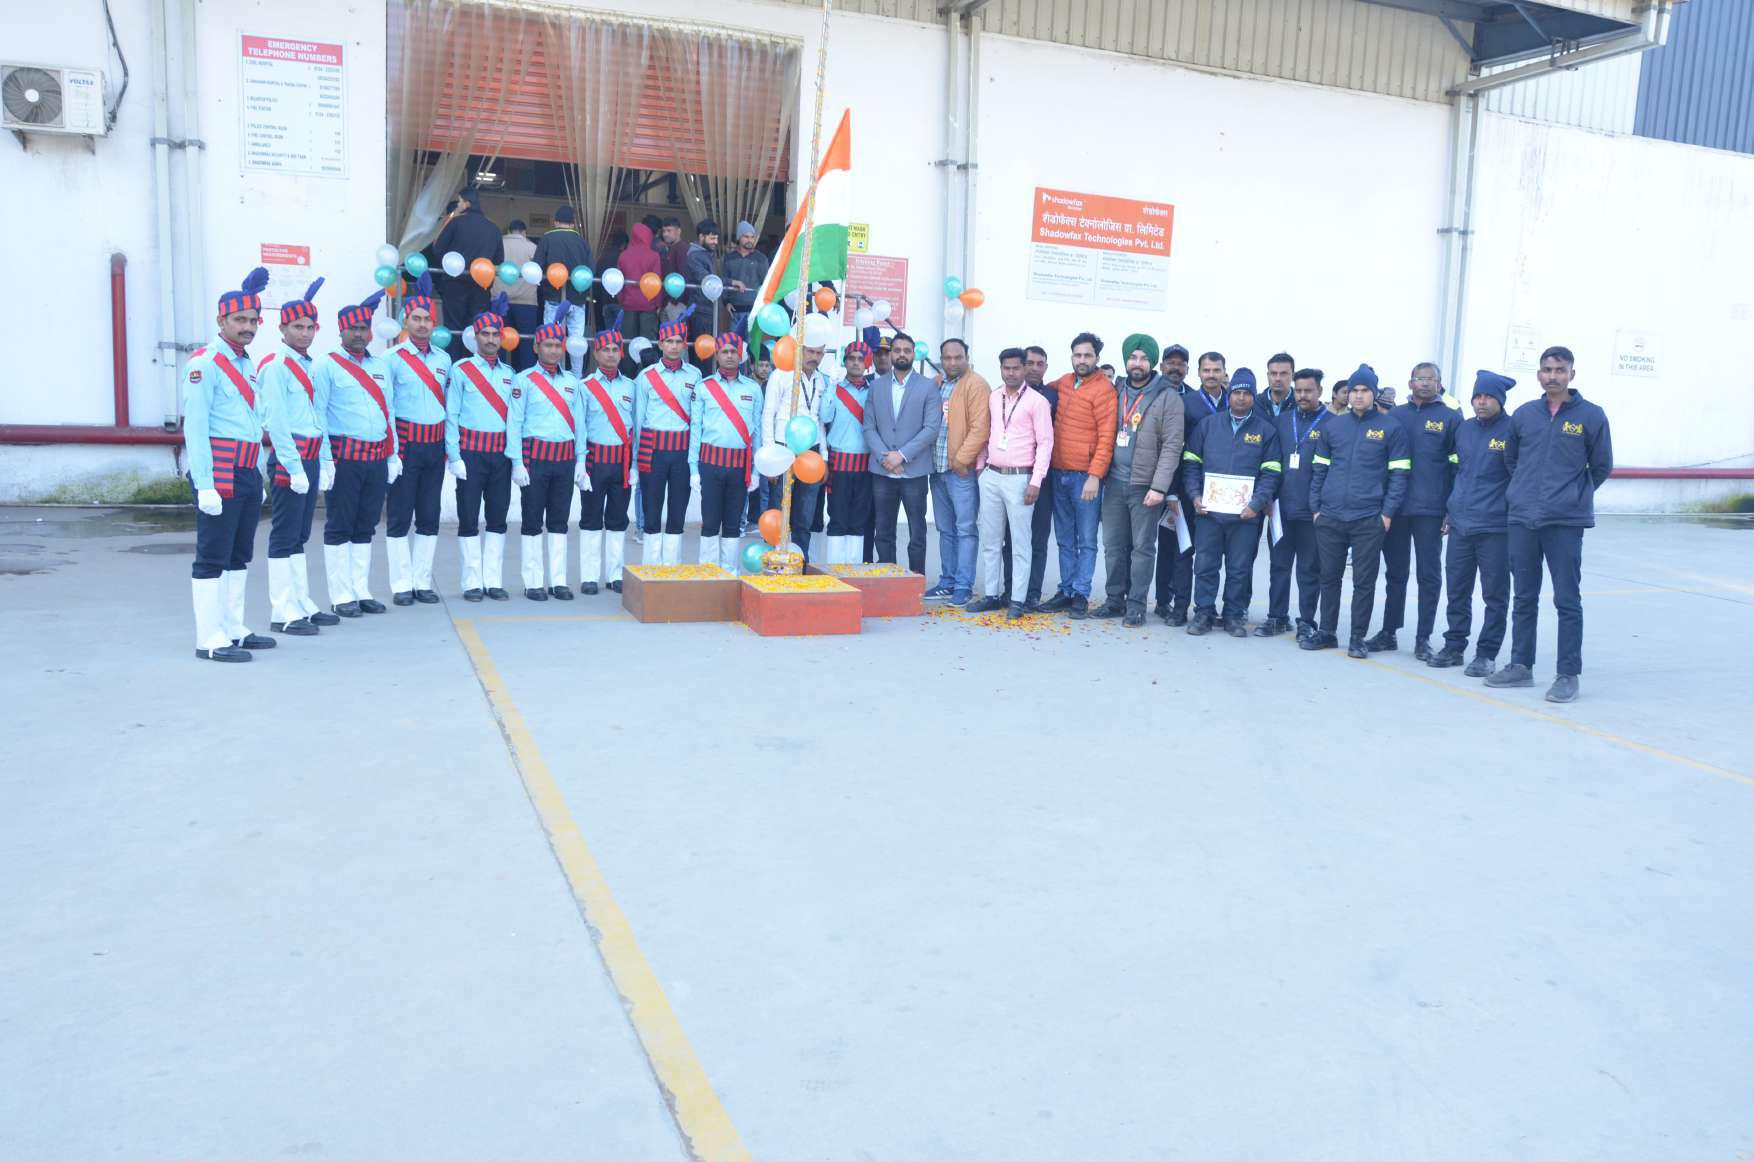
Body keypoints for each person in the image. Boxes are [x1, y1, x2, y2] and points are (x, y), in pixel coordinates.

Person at [1487, 346, 1613, 703]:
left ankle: (1567, 674)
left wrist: (1573, 495)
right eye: (1547, 369)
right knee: (1524, 596)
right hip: (1522, 518)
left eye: (1559, 369)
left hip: (1565, 521)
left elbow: (1601, 465)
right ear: (1539, 374)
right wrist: (1524, 492)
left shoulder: (1591, 416)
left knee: (1567, 599)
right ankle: (1520, 666)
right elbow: (1511, 459)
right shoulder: (1525, 414)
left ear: (1572, 373)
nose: (1553, 376)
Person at [184, 266, 275, 662]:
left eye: (253, 320)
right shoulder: (205, 363)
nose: (248, 327)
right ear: (221, 320)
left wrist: (258, 472)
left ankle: (232, 626)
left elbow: (251, 423)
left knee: (239, 555)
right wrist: (204, 484)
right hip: (219, 472)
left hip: (246, 470)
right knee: (213, 554)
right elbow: (195, 427)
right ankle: (209, 638)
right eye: (240, 320)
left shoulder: (245, 363)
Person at [1304, 365, 1411, 657]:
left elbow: (1400, 474)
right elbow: (1319, 469)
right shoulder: (1334, 427)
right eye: (1354, 390)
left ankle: (1357, 637)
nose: (1359, 395)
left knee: (1364, 581)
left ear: (1374, 394)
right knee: (1329, 576)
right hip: (1330, 515)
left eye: (1365, 390)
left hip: (1368, 517)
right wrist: (1316, 508)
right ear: (1348, 394)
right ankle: (1327, 631)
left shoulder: (1391, 428)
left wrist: (1386, 513)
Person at [257, 276, 336, 638]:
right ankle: (282, 611)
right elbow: (275, 421)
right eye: (297, 327)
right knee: (284, 534)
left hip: (311, 457)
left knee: (301, 534)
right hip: (291, 460)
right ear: (282, 329)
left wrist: (325, 460)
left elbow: (317, 417)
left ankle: (301, 601)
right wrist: (293, 466)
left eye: (309, 327)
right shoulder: (276, 366)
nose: (304, 334)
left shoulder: (308, 365)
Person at [314, 290, 398, 618]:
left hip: (376, 458)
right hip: (344, 459)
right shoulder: (327, 366)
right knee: (340, 524)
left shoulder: (380, 366)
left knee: (366, 525)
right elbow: (318, 414)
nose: (360, 334)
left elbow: (388, 412)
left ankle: (361, 590)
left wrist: (392, 454)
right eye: (353, 329)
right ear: (341, 330)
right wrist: (324, 460)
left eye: (364, 328)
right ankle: (340, 595)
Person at [1181, 368, 1281, 636]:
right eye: (1237, 392)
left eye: (1247, 393)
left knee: (1239, 568)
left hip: (1245, 516)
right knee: (1205, 566)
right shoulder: (1208, 425)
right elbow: (1191, 463)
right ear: (1229, 395)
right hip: (1208, 514)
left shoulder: (1265, 431)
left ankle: (1233, 616)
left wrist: (1256, 504)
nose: (1241, 398)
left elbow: (1271, 473)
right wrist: (1195, 495)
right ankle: (1203, 613)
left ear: (1253, 397)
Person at [1092, 334, 1183, 628]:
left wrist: (1159, 487)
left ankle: (1136, 605)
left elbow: (1172, 445)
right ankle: (1114, 599)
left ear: (1152, 362)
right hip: (1113, 482)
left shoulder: (1168, 396)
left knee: (1142, 547)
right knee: (1113, 545)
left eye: (1143, 358)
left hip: (1145, 486)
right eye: (1132, 357)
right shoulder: (1115, 390)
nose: (1137, 363)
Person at [1368, 362, 1458, 659]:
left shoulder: (1450, 418)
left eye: (1431, 378)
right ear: (1410, 383)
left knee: (1428, 574)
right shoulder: (1396, 416)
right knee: (1395, 572)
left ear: (1439, 384)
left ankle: (1423, 637)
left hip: (1431, 509)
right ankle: (1389, 631)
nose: (1425, 383)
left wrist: (1450, 509)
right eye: (1420, 378)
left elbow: (1457, 468)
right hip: (1396, 507)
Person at [1430, 370, 1516, 676]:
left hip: (1495, 526)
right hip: (1461, 524)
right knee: (1457, 589)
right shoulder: (1464, 429)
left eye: (1488, 397)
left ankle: (1486, 653)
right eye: (1477, 396)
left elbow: (1519, 476)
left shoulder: (1513, 430)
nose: (1481, 402)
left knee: (1494, 594)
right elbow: (1458, 472)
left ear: (1500, 400)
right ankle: (1454, 645)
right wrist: (1449, 511)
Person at [969, 348, 1054, 619]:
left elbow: (1045, 443)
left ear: (1024, 369)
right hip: (991, 476)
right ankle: (992, 595)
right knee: (991, 540)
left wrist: (1036, 481)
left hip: (1020, 478)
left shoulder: (1038, 402)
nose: (1011, 373)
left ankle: (1017, 600)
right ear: (1001, 369)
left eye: (1016, 368)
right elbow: (987, 434)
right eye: (1006, 368)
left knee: (1020, 542)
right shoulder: (994, 397)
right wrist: (981, 468)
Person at [507, 304, 584, 601]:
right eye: (548, 345)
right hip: (535, 459)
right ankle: (533, 581)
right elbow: (514, 422)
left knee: (559, 521)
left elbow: (579, 425)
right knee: (531, 521)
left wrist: (581, 460)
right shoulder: (523, 380)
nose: (553, 350)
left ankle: (559, 580)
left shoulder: (571, 382)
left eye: (557, 345)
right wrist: (517, 462)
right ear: (536, 347)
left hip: (564, 459)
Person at [383, 272, 451, 607]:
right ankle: (401, 584)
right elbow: (387, 408)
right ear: (405, 320)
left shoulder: (444, 359)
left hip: (434, 447)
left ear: (434, 323)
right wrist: (391, 452)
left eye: (427, 319)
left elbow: (447, 407)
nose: (422, 325)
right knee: (399, 515)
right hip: (405, 447)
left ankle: (422, 582)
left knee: (428, 515)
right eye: (416, 318)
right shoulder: (391, 359)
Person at [1041, 333, 1117, 619]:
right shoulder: (1063, 382)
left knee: (1086, 539)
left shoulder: (1104, 389)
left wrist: (1095, 475)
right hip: (1058, 471)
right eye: (1077, 355)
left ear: (1097, 358)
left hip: (1085, 477)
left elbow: (1107, 437)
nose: (1082, 360)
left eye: (1087, 355)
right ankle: (1066, 590)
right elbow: (1037, 390)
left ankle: (1081, 594)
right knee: (1064, 538)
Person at [445, 292, 515, 601]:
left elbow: (514, 421)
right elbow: (451, 414)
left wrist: (515, 458)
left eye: (495, 334)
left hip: (500, 457)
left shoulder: (510, 375)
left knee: (498, 519)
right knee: (469, 517)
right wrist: (454, 456)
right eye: (485, 334)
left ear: (501, 337)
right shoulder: (461, 370)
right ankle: (472, 581)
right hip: (470, 455)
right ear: (475, 337)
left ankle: (493, 580)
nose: (490, 339)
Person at [1257, 367, 1327, 641]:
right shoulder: (1282, 422)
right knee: (1279, 566)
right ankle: (1277, 617)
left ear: (1320, 391)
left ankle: (1306, 621)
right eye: (1298, 390)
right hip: (1280, 509)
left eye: (1308, 390)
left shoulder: (1332, 424)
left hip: (1314, 511)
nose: (1302, 395)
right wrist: (1267, 498)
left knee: (1309, 569)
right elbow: (1269, 462)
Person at [1159, 350, 1228, 624]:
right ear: (1198, 373)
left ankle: (1209, 607)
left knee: (1214, 555)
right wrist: (1171, 491)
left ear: (1224, 373)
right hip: (1188, 489)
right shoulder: (1185, 403)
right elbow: (1172, 448)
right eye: (1206, 370)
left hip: (1225, 494)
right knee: (1183, 552)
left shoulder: (1235, 403)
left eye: (1216, 370)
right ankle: (1179, 607)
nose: (1211, 375)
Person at [864, 331, 941, 573]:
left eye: (907, 350)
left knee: (917, 532)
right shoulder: (876, 387)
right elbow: (869, 427)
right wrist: (885, 457)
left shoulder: (928, 387)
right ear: (891, 354)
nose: (902, 354)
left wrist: (902, 455)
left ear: (913, 354)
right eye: (897, 350)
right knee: (883, 531)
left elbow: (931, 428)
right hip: (882, 471)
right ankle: (889, 581)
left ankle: (916, 581)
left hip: (914, 471)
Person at [926, 338, 990, 605]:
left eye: (958, 357)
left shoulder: (976, 385)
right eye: (947, 358)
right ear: (941, 359)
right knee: (945, 529)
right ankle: (947, 581)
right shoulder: (937, 383)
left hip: (960, 471)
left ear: (967, 357)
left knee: (965, 529)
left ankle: (963, 585)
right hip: (937, 468)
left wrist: (961, 461)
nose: (952, 362)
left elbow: (980, 429)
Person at [576, 320, 638, 594]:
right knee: (590, 518)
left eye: (615, 349)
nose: (611, 354)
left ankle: (614, 575)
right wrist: (580, 463)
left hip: (622, 463)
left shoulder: (631, 387)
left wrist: (634, 465)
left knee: (617, 519)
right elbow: (580, 427)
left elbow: (636, 428)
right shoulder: (585, 386)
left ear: (621, 353)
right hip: (594, 461)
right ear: (596, 353)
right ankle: (589, 576)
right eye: (605, 350)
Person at [635, 310, 701, 564]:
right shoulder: (645, 377)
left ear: (685, 345)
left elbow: (696, 420)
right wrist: (634, 463)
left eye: (678, 341)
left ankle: (671, 567)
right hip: (652, 451)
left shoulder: (695, 375)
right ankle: (650, 568)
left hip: (682, 452)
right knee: (651, 509)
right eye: (669, 341)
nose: (674, 346)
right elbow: (638, 421)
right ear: (660, 344)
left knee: (678, 509)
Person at [691, 332, 762, 570]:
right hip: (710, 464)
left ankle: (729, 572)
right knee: (710, 521)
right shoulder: (704, 387)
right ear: (717, 355)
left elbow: (757, 432)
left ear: (740, 355)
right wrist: (693, 469)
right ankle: (708, 572)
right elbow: (695, 430)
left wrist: (756, 471)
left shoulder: (753, 389)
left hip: (740, 466)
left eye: (734, 351)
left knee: (733, 522)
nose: (729, 356)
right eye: (724, 352)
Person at [761, 341, 831, 561]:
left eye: (819, 353)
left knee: (805, 513)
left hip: (811, 453)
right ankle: (775, 562)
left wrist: (824, 457)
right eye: (810, 351)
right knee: (779, 511)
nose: (814, 356)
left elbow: (819, 420)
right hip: (783, 448)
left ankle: (800, 562)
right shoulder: (781, 375)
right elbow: (768, 414)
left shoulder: (822, 380)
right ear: (800, 350)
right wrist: (770, 455)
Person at [1002, 345, 1059, 610]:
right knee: (1011, 537)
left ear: (1046, 368)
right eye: (1030, 363)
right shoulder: (1005, 395)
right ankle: (1010, 590)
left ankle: (1032, 593)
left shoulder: (1054, 396)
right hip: (1013, 476)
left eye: (1040, 364)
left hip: (1043, 479)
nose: (1034, 368)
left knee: (1037, 538)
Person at [818, 340, 874, 565]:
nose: (856, 363)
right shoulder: (835, 389)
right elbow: (825, 417)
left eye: (861, 359)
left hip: (866, 463)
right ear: (845, 361)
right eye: (851, 358)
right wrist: (832, 387)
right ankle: (834, 570)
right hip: (839, 463)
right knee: (837, 518)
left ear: (867, 364)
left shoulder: (873, 391)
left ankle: (853, 571)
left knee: (859, 520)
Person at [432, 187, 502, 361]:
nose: (458, 205)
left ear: (466, 203)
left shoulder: (456, 223)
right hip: (481, 286)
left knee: (454, 328)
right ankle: (475, 366)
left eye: (460, 201)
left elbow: (438, 248)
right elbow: (499, 258)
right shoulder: (493, 228)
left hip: (454, 283)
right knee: (478, 329)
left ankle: (454, 366)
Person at [1149, 342, 1190, 619]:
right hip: (1149, 481)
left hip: (1181, 486)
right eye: (1170, 363)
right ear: (1161, 366)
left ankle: (1170, 600)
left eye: (1180, 364)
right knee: (1148, 545)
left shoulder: (1193, 400)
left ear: (1187, 368)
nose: (1175, 368)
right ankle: (1154, 598)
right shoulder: (1150, 394)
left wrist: (1175, 490)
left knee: (1176, 545)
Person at [533, 206, 593, 374]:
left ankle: (553, 373)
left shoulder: (547, 238)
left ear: (555, 222)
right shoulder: (582, 242)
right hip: (578, 299)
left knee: (552, 338)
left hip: (553, 297)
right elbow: (590, 270)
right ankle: (576, 377)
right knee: (577, 340)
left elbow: (537, 266)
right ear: (573, 224)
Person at [744, 352, 778, 534]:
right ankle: (745, 521)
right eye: (761, 365)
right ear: (752, 366)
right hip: (746, 441)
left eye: (767, 366)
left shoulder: (771, 386)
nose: (765, 369)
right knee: (746, 484)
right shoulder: (746, 385)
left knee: (764, 486)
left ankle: (761, 522)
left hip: (765, 441)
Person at [501, 219, 540, 372]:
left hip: (500, 299)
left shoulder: (499, 244)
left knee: (499, 340)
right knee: (526, 342)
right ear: (524, 232)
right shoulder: (532, 247)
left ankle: (499, 374)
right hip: (526, 301)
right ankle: (525, 374)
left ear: (509, 231)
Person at [615, 223, 663, 342]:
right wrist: (658, 304)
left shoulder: (623, 255)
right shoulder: (654, 256)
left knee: (628, 341)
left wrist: (622, 301)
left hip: (628, 304)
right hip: (648, 304)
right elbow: (656, 282)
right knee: (647, 341)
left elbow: (618, 282)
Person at [722, 222, 770, 330]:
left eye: (752, 237)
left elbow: (767, 284)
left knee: (751, 341)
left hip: (754, 312)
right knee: (734, 340)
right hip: (734, 311)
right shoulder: (729, 257)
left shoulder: (761, 259)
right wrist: (726, 302)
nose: (750, 240)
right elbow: (724, 280)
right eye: (746, 237)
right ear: (739, 237)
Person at [683, 220, 722, 345]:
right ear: (701, 237)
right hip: (701, 310)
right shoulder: (695, 256)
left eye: (716, 238)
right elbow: (707, 279)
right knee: (703, 348)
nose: (715, 242)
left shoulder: (707, 253)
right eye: (712, 238)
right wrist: (731, 282)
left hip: (707, 309)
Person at [1258, 352, 1296, 419]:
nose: (1278, 378)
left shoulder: (1301, 404)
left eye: (1283, 374)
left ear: (1293, 376)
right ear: (1268, 376)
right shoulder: (1255, 404)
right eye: (1273, 373)